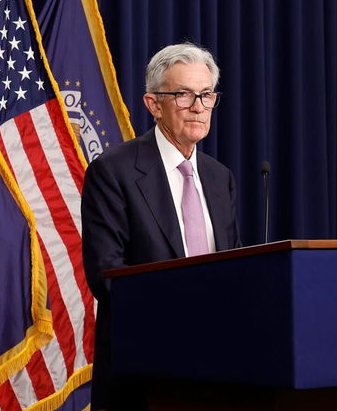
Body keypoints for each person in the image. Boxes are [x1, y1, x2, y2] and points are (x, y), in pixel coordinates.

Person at [80, 43, 241, 410]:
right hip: (146, 370)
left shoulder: (220, 178)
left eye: (206, 95)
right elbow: (108, 276)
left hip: (220, 368)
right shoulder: (114, 171)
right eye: (183, 95)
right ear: (153, 104)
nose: (198, 107)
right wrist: (185, 320)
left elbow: (233, 266)